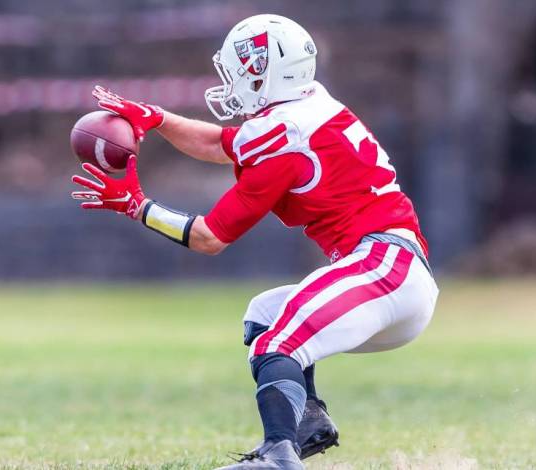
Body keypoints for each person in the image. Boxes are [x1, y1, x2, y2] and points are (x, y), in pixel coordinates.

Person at [72, 14, 439, 470]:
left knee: (278, 345)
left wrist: (137, 207)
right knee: (266, 315)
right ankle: (305, 425)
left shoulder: (286, 135)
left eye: (239, 71)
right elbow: (221, 145)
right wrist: (158, 118)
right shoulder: (306, 109)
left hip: (383, 267)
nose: (231, 82)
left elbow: (209, 237)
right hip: (389, 271)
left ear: (264, 72)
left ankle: (278, 457)